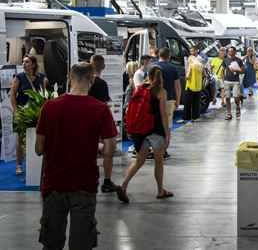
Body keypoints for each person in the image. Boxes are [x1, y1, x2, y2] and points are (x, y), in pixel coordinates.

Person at [35, 62, 117, 249]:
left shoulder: (49, 106)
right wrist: (96, 146)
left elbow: (39, 149)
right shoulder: (101, 110)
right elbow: (110, 151)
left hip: (53, 185)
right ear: (92, 80)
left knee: (51, 244)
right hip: (84, 186)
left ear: (69, 79)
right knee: (81, 245)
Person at [117, 64, 173, 203]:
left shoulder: (140, 89)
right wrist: (167, 133)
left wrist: (131, 129)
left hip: (140, 130)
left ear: (147, 74)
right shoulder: (161, 92)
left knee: (139, 160)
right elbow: (163, 115)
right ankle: (160, 191)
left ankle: (123, 185)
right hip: (155, 130)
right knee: (158, 162)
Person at [10, 53, 48, 176]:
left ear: (33, 64)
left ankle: (37, 163)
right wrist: (16, 110)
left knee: (40, 137)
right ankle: (19, 165)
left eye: (27, 62)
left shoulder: (41, 77)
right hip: (22, 111)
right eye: (23, 62)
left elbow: (43, 94)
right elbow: (12, 94)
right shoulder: (19, 77)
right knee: (22, 138)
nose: (24, 64)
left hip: (37, 112)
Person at [85, 55, 117, 192]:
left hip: (85, 121)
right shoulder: (102, 84)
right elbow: (104, 105)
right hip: (99, 122)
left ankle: (86, 180)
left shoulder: (84, 83)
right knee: (108, 152)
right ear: (103, 66)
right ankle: (107, 182)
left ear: (90, 65)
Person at [148, 47, 180, 161]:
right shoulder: (173, 68)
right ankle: (163, 150)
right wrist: (177, 100)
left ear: (158, 55)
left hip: (151, 99)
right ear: (169, 56)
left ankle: (152, 149)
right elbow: (177, 86)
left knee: (151, 122)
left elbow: (144, 83)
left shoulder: (151, 66)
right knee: (166, 123)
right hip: (168, 99)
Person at [222, 47, 245, 120]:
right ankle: (229, 113)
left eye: (231, 51)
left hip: (235, 81)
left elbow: (242, 71)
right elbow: (222, 70)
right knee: (227, 97)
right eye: (229, 51)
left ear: (235, 52)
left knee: (236, 96)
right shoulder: (225, 60)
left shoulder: (239, 60)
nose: (229, 53)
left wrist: (235, 70)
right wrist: (223, 80)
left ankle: (238, 107)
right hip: (227, 80)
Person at [179, 54, 203, 123]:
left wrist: (185, 78)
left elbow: (188, 76)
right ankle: (194, 118)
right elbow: (205, 75)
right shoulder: (201, 66)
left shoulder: (191, 65)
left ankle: (184, 118)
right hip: (198, 87)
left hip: (191, 86)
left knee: (187, 103)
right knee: (196, 103)